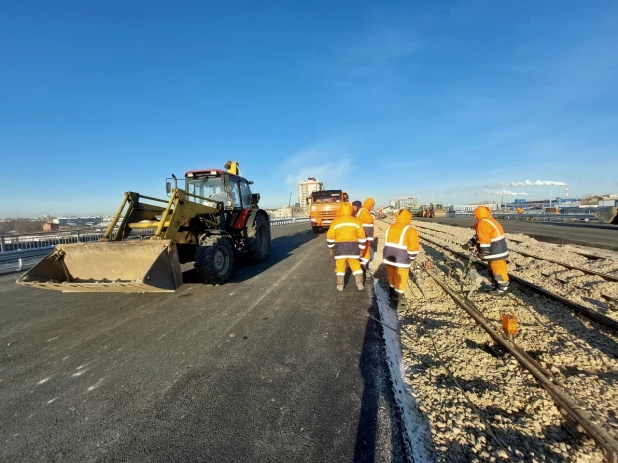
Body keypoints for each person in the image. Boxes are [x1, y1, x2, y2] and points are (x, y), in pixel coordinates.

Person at [464, 206, 510, 296]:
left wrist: (483, 252)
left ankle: (502, 288)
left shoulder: (483, 223)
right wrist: (471, 243)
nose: (474, 217)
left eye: (475, 215)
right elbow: (479, 235)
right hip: (496, 251)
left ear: (478, 214)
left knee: (498, 270)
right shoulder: (488, 221)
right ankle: (496, 285)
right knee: (492, 269)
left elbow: (484, 239)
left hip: (496, 252)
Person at [326, 202, 367, 291]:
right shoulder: (356, 220)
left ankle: (340, 285)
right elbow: (362, 236)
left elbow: (330, 236)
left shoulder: (336, 221)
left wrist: (331, 247)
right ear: (350, 210)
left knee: (340, 266)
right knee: (356, 266)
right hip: (354, 248)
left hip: (340, 248)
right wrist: (361, 249)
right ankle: (360, 283)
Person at [383, 209, 420, 308]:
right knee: (401, 279)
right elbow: (413, 247)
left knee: (391, 275)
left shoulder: (391, 227)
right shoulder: (410, 230)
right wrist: (411, 258)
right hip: (401, 259)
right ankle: (396, 302)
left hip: (389, 257)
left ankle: (391, 292)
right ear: (409, 218)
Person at [356, 198, 376, 269]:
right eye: (372, 206)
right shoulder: (363, 211)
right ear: (368, 205)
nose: (373, 207)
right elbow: (370, 220)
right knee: (366, 253)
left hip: (365, 236)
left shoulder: (364, 211)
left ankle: (363, 266)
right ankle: (362, 267)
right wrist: (373, 213)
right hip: (364, 236)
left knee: (366, 253)